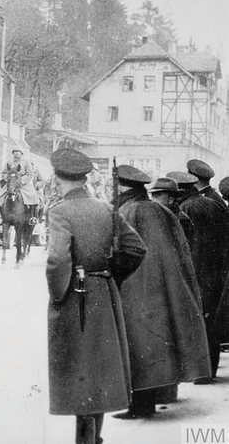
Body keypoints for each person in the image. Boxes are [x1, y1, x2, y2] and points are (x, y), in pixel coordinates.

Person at [45, 149, 146, 444]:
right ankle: (92, 438)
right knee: (98, 369)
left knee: (78, 368)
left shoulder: (60, 211)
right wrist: (108, 275)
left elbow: (56, 260)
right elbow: (136, 249)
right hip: (103, 293)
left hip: (74, 294)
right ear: (84, 178)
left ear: (57, 178)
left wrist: (57, 294)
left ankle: (84, 439)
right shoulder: (106, 208)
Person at [112, 165, 211, 418]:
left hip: (137, 287)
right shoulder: (159, 210)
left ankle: (140, 406)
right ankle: (158, 396)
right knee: (156, 342)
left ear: (123, 186)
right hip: (162, 287)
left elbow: (122, 251)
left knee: (139, 345)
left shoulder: (128, 210)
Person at [169, 170, 229, 381]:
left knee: (195, 319)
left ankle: (200, 373)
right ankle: (208, 370)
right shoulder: (212, 204)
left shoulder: (186, 208)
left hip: (196, 270)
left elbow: (187, 244)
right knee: (209, 319)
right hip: (215, 271)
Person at [0, 148, 40, 222]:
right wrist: (9, 179)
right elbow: (4, 172)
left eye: (18, 152)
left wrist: (21, 180)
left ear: (21, 153)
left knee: (32, 196)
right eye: (15, 152)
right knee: (0, 197)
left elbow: (29, 174)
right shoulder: (9, 161)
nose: (16, 153)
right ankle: (2, 216)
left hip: (23, 183)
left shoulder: (26, 162)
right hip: (11, 182)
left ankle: (32, 217)